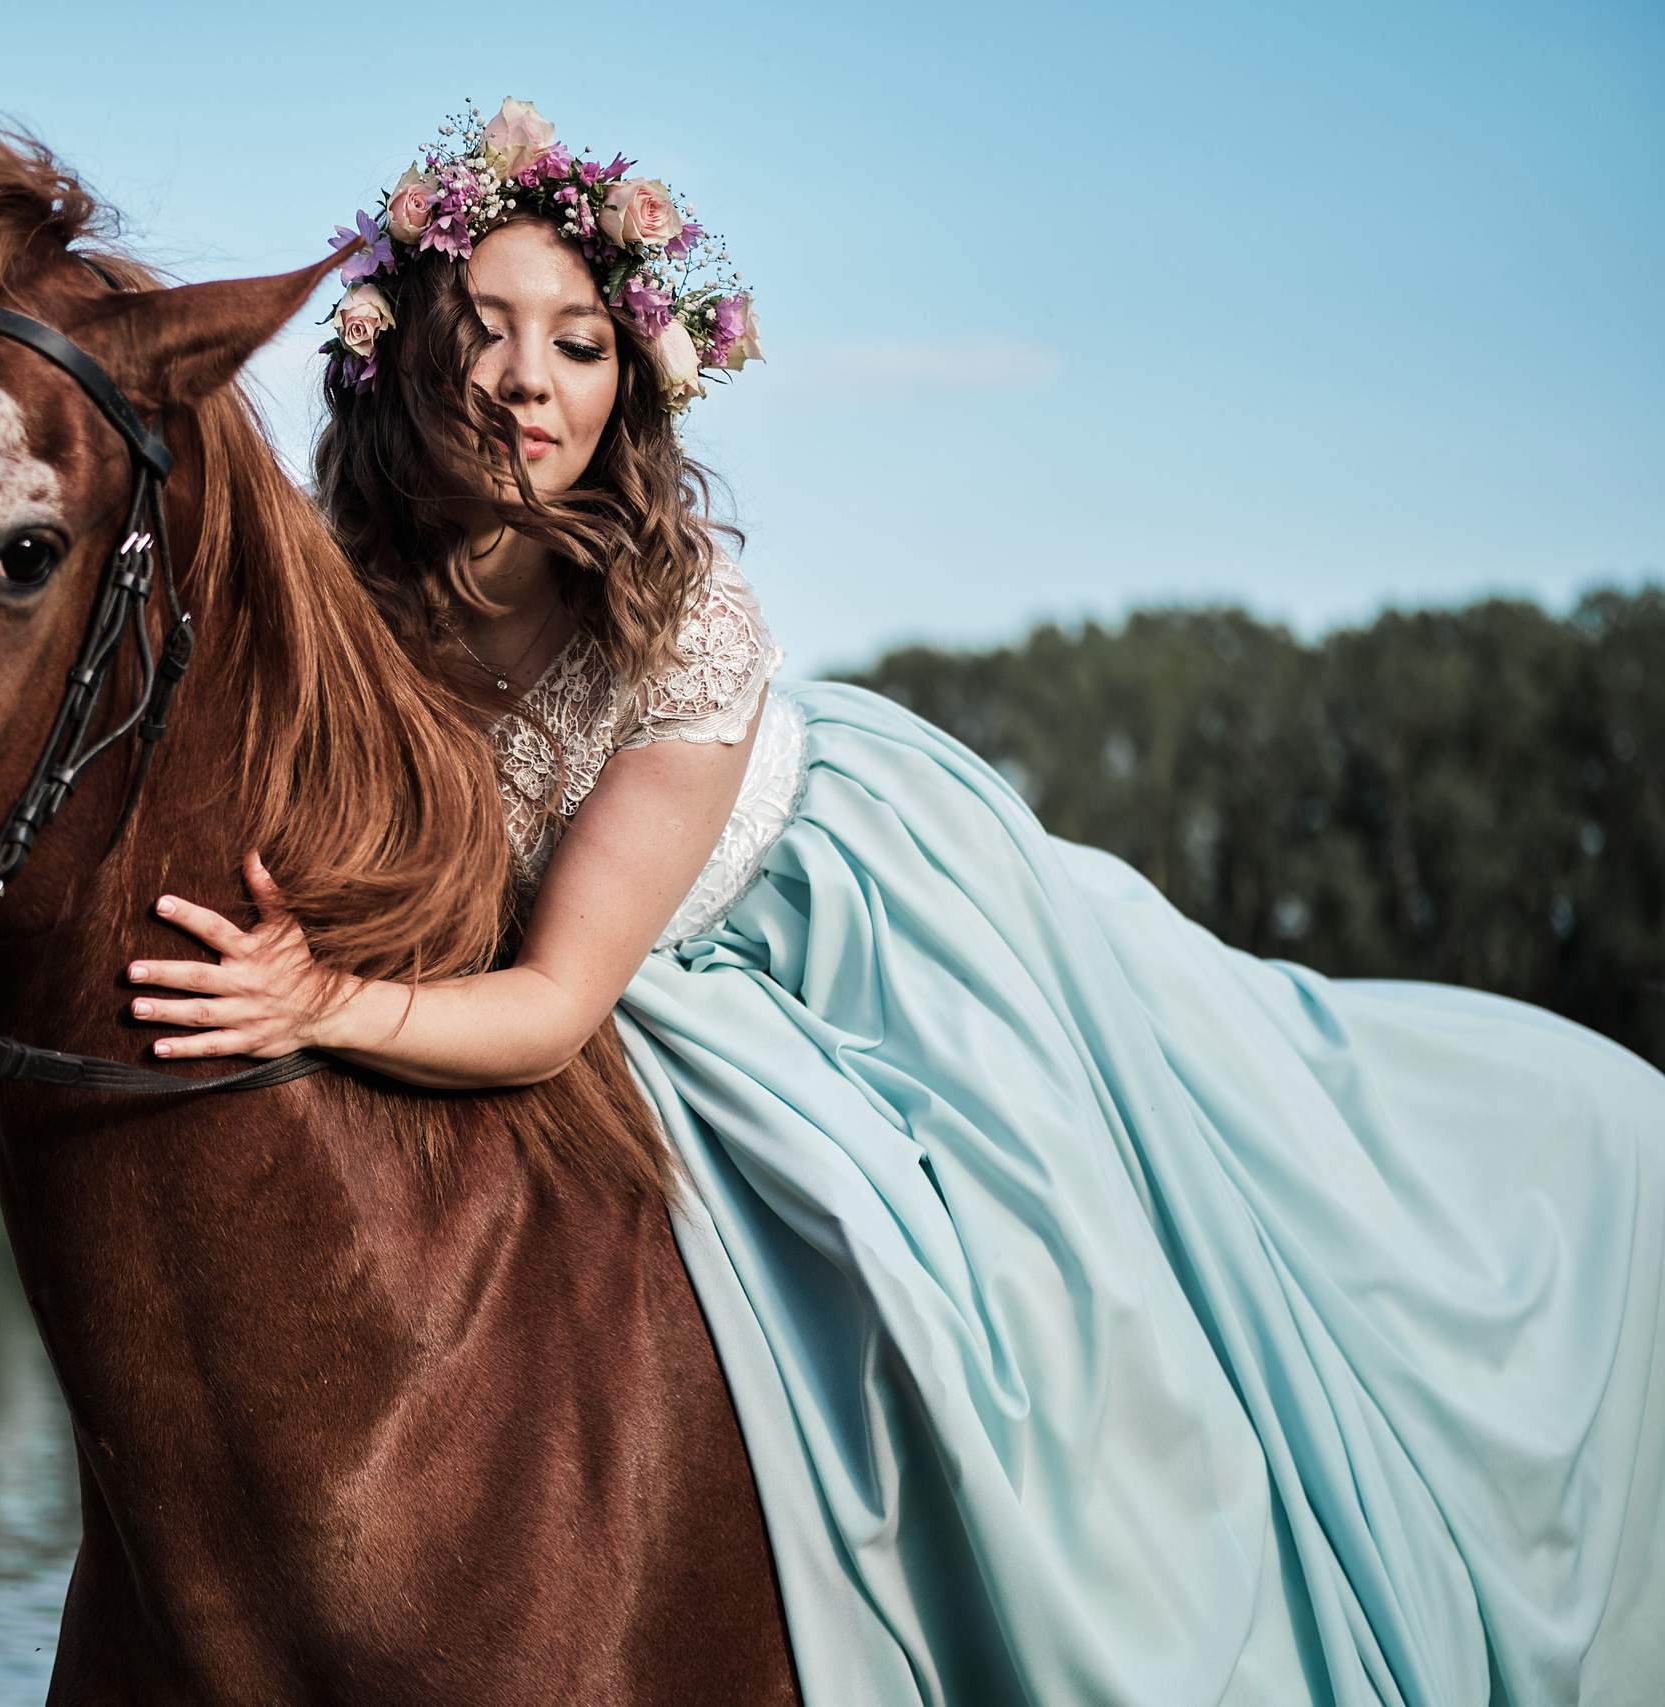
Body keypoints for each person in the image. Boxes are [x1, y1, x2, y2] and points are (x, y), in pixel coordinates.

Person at [123, 99, 1665, 1705]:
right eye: (486, 329)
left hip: (839, 933)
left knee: (1023, 1293)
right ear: (401, 352)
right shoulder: (333, 595)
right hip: (562, 977)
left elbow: (560, 1000)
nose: (529, 378)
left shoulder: (679, 623)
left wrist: (323, 1008)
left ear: (628, 384)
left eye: (581, 343)